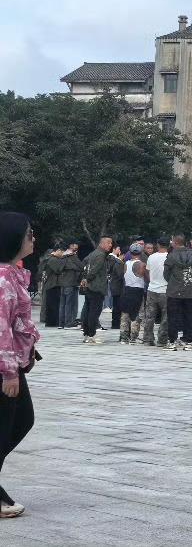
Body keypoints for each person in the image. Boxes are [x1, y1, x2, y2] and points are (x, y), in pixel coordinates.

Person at [0, 212, 41, 520]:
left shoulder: (12, 273)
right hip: (5, 367)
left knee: (21, 420)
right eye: (29, 233)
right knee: (8, 426)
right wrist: (9, 372)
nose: (33, 238)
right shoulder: (3, 279)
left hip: (13, 362)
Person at [163, 235, 192, 351]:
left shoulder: (171, 256)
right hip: (189, 289)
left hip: (174, 290)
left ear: (175, 243)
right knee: (189, 316)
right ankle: (188, 341)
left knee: (173, 316)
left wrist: (173, 281)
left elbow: (166, 273)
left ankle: (172, 341)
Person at [79, 237, 114, 344]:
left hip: (90, 287)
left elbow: (83, 264)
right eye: (108, 243)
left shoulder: (93, 253)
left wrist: (84, 278)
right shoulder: (101, 255)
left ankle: (86, 334)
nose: (110, 245)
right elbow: (94, 270)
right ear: (102, 243)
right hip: (97, 287)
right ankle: (91, 334)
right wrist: (87, 278)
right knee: (94, 312)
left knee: (88, 311)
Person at [141, 242, 169, 347]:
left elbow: (147, 271)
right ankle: (162, 339)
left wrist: (152, 280)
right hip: (165, 290)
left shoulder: (151, 257)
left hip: (152, 289)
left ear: (158, 245)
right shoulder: (169, 257)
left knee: (149, 316)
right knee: (165, 316)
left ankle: (148, 339)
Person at [118, 246, 147, 344]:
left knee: (125, 314)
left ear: (130, 253)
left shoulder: (126, 263)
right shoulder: (142, 264)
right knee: (137, 314)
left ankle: (123, 336)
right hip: (138, 290)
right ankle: (134, 336)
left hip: (127, 289)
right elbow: (146, 277)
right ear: (141, 253)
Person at [57, 244, 83, 330]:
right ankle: (68, 323)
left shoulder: (61, 258)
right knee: (70, 304)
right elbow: (81, 266)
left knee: (62, 304)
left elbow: (58, 269)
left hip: (63, 283)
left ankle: (61, 323)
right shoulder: (72, 257)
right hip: (71, 283)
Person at [37, 245, 63, 329]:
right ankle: (50, 320)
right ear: (58, 251)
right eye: (61, 252)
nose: (62, 254)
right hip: (52, 284)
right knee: (52, 304)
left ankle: (45, 318)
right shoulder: (53, 259)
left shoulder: (47, 259)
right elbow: (58, 270)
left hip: (48, 283)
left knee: (46, 302)